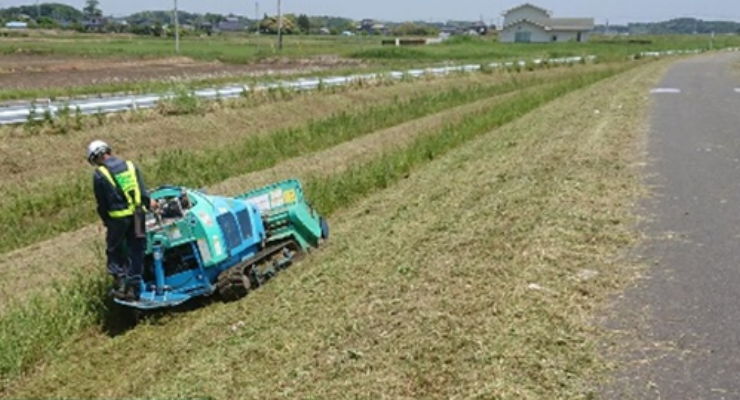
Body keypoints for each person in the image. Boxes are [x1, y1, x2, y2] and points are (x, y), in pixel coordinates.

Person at [87, 140, 157, 301]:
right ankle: (134, 287)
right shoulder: (131, 166)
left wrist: (106, 220)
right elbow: (143, 191)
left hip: (119, 219)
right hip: (139, 215)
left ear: (96, 158)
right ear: (108, 151)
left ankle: (120, 284)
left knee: (115, 249)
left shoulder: (100, 174)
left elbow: (102, 203)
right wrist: (149, 204)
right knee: (137, 249)